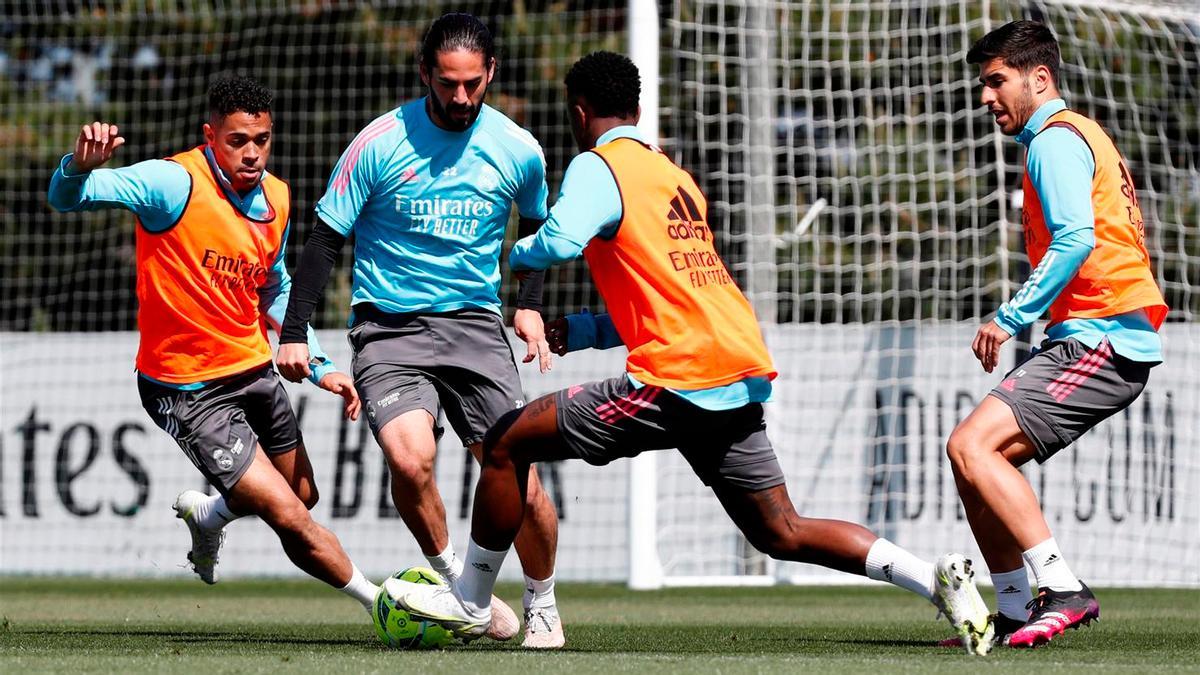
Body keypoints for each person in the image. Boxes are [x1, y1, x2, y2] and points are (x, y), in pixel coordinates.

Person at [385, 50, 996, 656]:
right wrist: (584, 329)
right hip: (731, 363)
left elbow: (560, 241)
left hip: (676, 378)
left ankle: (469, 597)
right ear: (638, 107)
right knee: (781, 530)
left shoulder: (601, 165)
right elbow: (669, 295)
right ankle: (933, 579)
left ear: (579, 112)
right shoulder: (671, 174)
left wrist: (512, 259)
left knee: (505, 443)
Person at [276, 13, 562, 648]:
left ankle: (542, 599)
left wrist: (530, 302)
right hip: (389, 329)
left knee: (517, 473)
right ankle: (458, 585)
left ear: (491, 74)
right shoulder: (379, 141)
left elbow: (539, 231)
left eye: (472, 85)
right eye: (447, 84)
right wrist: (294, 329)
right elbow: (326, 238)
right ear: (424, 73)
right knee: (410, 461)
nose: (460, 98)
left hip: (476, 329)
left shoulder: (518, 148)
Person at [46, 74, 381, 615]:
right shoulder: (171, 183)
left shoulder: (277, 196)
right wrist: (78, 166)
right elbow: (66, 199)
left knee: (303, 496)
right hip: (185, 387)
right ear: (210, 135)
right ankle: (381, 603)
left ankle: (210, 515)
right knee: (290, 517)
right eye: (237, 141)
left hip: (252, 369)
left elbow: (273, 286)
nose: (252, 154)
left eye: (262, 140)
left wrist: (318, 363)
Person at [945, 21, 1168, 649]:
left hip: (1105, 340)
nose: (986, 97)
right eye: (982, 84)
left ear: (1039, 79)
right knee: (973, 463)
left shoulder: (1053, 140)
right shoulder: (1075, 135)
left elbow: (1076, 239)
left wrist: (1007, 317)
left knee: (970, 447)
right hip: (1092, 336)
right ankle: (1014, 609)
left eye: (996, 81)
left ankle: (1061, 588)